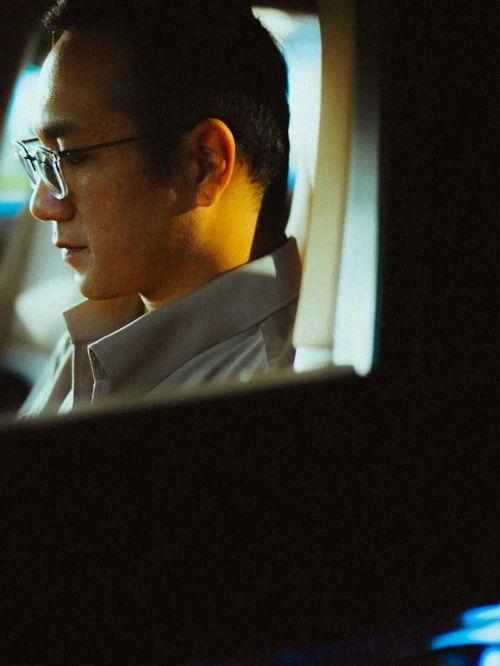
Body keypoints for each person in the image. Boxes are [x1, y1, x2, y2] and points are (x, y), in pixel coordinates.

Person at [15, 0, 301, 416]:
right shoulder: (100, 328)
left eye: (72, 156)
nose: (42, 205)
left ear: (204, 164)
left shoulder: (267, 395)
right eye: (44, 158)